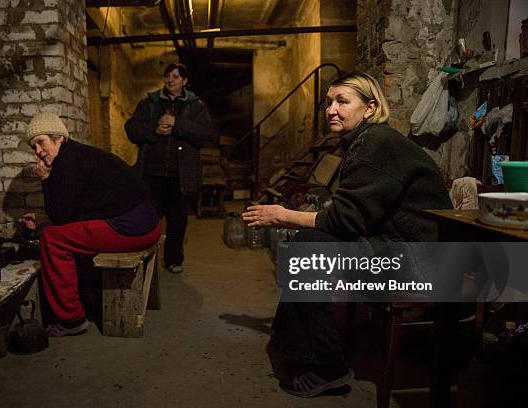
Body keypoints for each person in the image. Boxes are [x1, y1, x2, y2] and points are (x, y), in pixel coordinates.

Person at [242, 71, 453, 397]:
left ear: (369, 108)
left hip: (421, 259)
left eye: (343, 101)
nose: (331, 110)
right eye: (329, 102)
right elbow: (354, 211)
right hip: (398, 244)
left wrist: (283, 215)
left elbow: (346, 219)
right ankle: (304, 349)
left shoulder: (376, 142)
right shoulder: (365, 141)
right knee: (308, 244)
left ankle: (328, 367)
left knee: (308, 252)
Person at [20, 112, 161, 337]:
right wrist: (44, 218)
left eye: (41, 142)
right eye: (33, 147)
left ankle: (71, 320)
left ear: (59, 138)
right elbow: (77, 210)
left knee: (53, 239)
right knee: (63, 231)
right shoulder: (77, 155)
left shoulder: (67, 162)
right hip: (149, 223)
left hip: (133, 229)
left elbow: (61, 218)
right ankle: (89, 295)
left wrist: (45, 180)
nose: (38, 151)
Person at [125, 62, 213, 274]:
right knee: (148, 220)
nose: (170, 79)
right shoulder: (150, 103)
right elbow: (132, 129)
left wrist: (177, 123)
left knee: (177, 222)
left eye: (175, 76)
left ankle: (173, 260)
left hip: (179, 177)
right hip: (151, 175)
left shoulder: (196, 106)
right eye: (168, 76)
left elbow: (205, 135)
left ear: (184, 81)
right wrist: (154, 130)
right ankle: (146, 261)